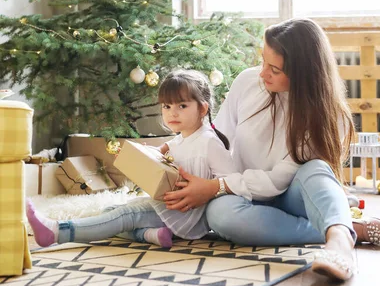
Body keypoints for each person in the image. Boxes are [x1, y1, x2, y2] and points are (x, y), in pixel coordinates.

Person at [162, 18, 380, 281]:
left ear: (304, 74)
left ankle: (340, 241)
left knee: (316, 168)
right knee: (219, 215)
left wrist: (215, 187)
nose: (263, 73)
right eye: (263, 61)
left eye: (274, 69)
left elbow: (276, 182)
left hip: (294, 196)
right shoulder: (247, 82)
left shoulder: (328, 117)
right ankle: (348, 227)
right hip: (243, 195)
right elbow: (218, 138)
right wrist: (179, 153)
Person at [27, 69, 235, 248]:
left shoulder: (209, 142)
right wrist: (136, 156)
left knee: (125, 216)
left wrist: (203, 193)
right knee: (111, 210)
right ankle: (148, 234)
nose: (172, 113)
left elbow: (229, 181)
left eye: (182, 106)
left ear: (203, 108)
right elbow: (153, 155)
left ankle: (57, 232)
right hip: (167, 207)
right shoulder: (179, 140)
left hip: (185, 214)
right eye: (166, 106)